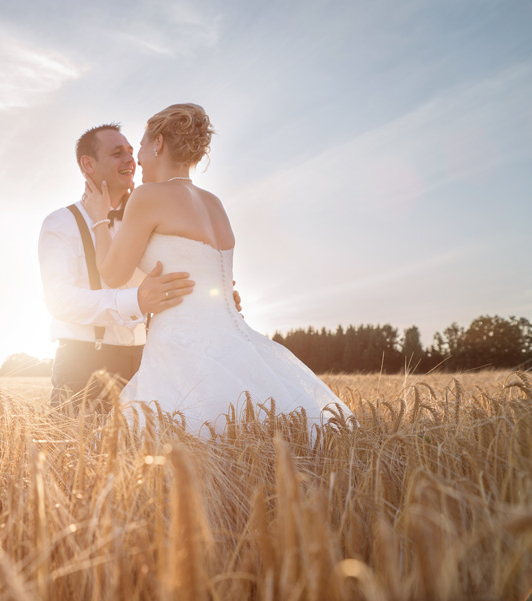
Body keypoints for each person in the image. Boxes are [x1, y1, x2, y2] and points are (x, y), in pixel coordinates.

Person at [83, 103, 352, 435]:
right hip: (235, 342)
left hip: (181, 348)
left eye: (140, 145)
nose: (136, 156)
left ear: (159, 143)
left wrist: (98, 216)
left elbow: (112, 275)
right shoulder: (214, 203)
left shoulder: (148, 197)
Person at [37, 123, 196, 409]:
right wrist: (136, 299)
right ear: (88, 164)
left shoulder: (150, 220)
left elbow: (170, 278)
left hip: (147, 362)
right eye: (116, 153)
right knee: (77, 452)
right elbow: (58, 300)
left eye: (131, 152)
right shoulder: (60, 223)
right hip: (84, 364)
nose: (130, 160)